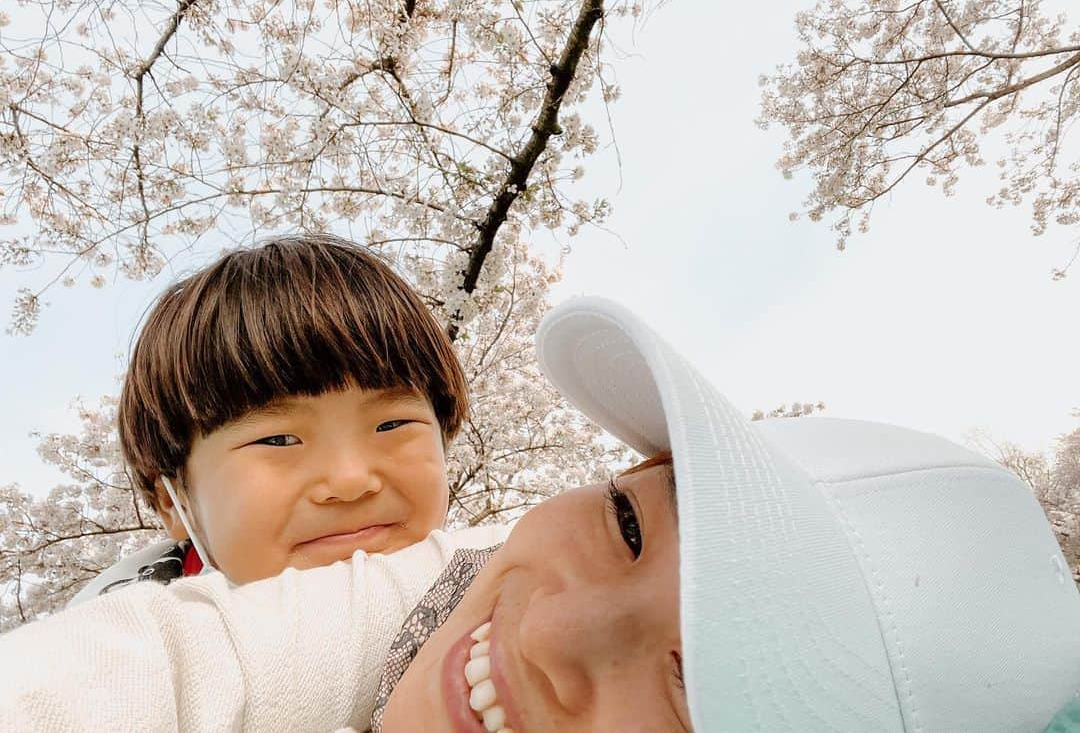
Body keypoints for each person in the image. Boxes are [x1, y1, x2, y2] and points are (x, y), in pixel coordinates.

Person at [3, 297, 1079, 732]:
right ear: (168, 490)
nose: (347, 482)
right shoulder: (435, 588)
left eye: (697, 678)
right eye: (625, 521)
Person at [72, 234, 470, 601]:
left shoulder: (500, 602)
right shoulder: (123, 660)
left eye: (391, 425)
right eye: (278, 440)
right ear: (173, 502)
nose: (350, 481)